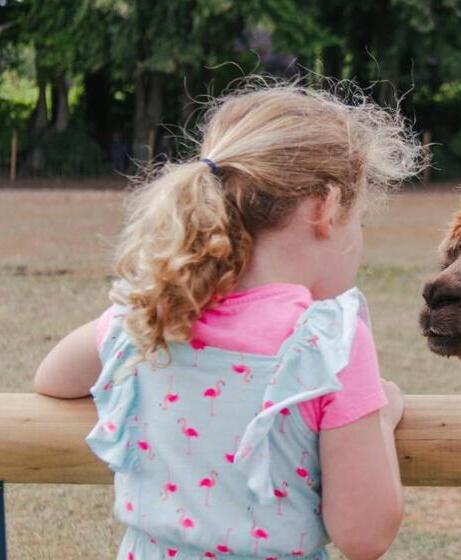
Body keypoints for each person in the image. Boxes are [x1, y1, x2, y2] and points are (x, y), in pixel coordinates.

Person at [32, 82, 425, 560]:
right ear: (324, 208)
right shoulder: (327, 343)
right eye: (359, 218)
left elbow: (52, 378)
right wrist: (379, 416)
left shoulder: (152, 315)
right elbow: (365, 536)